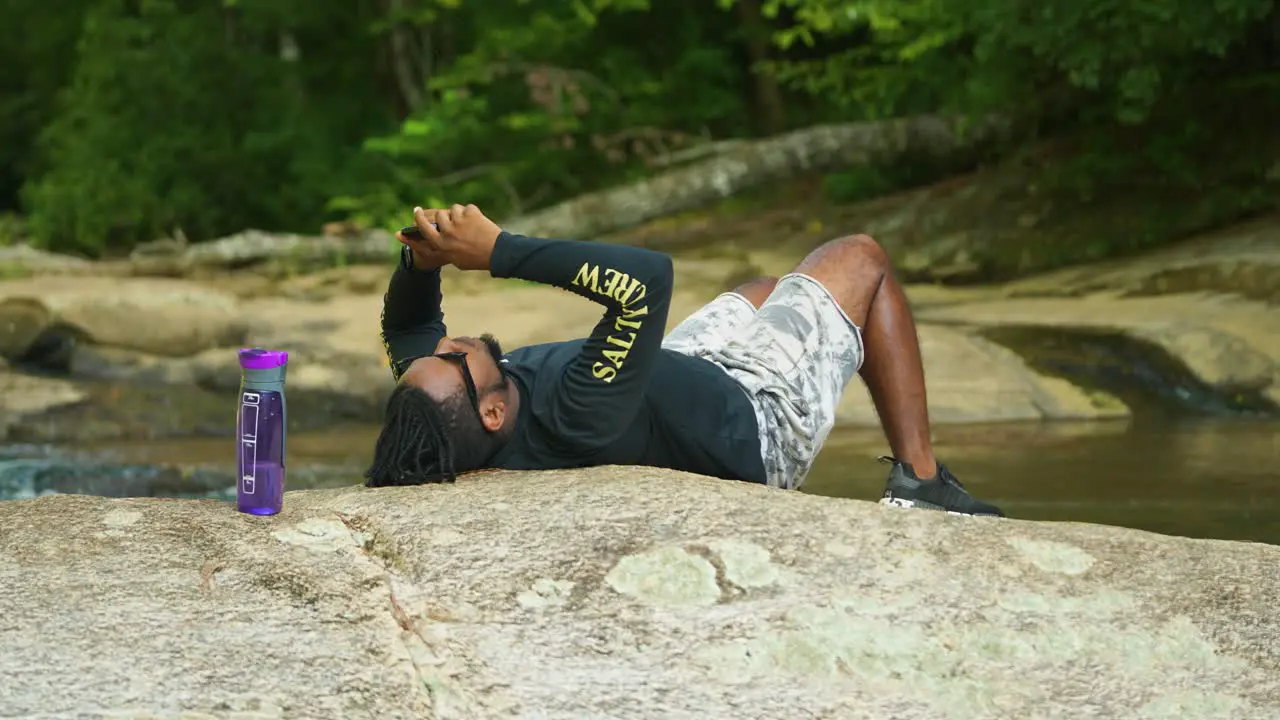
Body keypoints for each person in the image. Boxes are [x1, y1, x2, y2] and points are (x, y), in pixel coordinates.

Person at [365, 204, 1003, 517]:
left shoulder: (445, 409)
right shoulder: (576, 412)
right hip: (759, 420)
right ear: (496, 411)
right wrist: (499, 249)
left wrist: (421, 262)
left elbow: (409, 325)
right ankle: (922, 484)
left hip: (685, 372)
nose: (450, 346)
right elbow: (645, 281)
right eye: (454, 360)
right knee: (860, 259)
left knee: (769, 291)